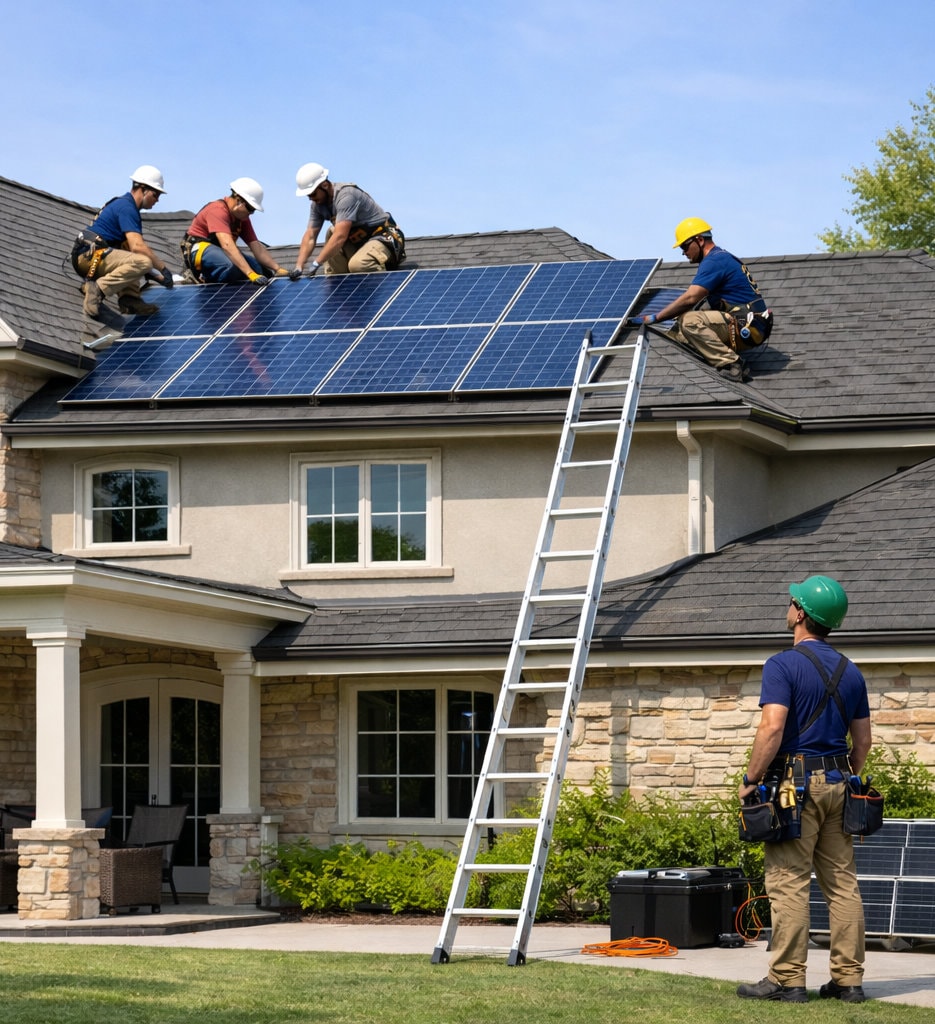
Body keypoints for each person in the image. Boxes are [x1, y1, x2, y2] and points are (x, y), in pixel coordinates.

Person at [736, 575, 872, 1004]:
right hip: (840, 785)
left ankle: (787, 980)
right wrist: (841, 773)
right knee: (842, 884)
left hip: (794, 788)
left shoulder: (782, 665)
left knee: (789, 881)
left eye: (792, 602)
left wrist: (751, 780)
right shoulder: (851, 672)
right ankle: (848, 982)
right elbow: (863, 742)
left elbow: (772, 727)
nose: (788, 606)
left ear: (800, 613)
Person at [632, 217, 773, 383]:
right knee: (677, 332)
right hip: (746, 323)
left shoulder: (715, 261)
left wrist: (656, 317)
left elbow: (691, 298)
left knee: (689, 321)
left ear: (699, 240)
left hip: (745, 326)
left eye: (685, 246)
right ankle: (717, 354)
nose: (683, 252)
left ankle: (733, 364)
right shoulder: (720, 258)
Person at [71, 165, 176, 319]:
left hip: (92, 256)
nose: (157, 200)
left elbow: (131, 254)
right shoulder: (127, 207)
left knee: (133, 255)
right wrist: (163, 269)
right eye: (155, 194)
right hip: (89, 257)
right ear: (143, 189)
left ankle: (129, 299)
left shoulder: (124, 205)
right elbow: (138, 247)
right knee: (143, 260)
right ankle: (97, 289)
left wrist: (156, 277)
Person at [292, 162, 405, 277]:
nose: (311, 199)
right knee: (332, 232)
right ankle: (339, 286)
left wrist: (316, 263)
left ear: (324, 185)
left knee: (359, 264)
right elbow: (310, 236)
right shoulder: (317, 205)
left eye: (313, 194)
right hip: (359, 244)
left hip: (383, 238)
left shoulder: (346, 196)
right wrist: (299, 266)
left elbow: (340, 236)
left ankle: (383, 288)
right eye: (308, 196)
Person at [182, 178, 289, 285]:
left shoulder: (242, 219)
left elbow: (257, 247)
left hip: (221, 250)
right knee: (230, 267)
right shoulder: (217, 210)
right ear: (238, 200)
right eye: (250, 208)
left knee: (259, 269)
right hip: (200, 249)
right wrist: (250, 273)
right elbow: (227, 245)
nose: (251, 213)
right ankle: (205, 280)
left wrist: (277, 269)